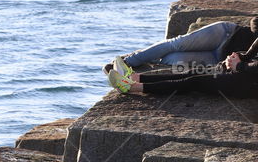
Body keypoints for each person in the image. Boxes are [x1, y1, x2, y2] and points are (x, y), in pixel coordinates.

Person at [110, 18, 258, 70]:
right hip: (225, 34)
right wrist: (248, 54)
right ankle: (128, 61)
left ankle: (144, 57)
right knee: (176, 44)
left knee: (171, 60)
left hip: (218, 59)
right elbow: (254, 21)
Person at [108, 50, 258, 98]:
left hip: (251, 83)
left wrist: (240, 65)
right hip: (247, 71)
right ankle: (135, 77)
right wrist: (238, 56)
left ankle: (132, 87)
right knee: (191, 72)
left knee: (194, 81)